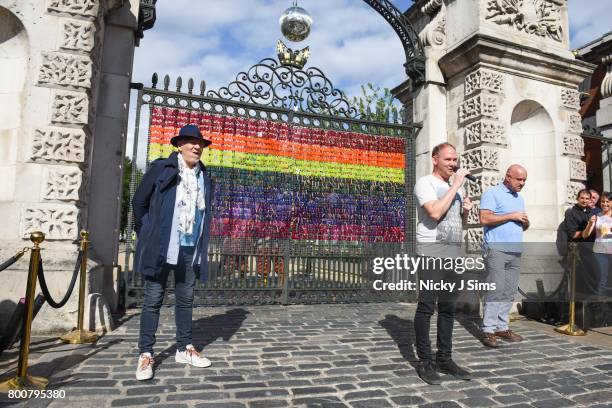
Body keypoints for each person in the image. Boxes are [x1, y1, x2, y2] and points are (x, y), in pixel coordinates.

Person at [132, 124, 214, 381]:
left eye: (199, 142)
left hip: (190, 247)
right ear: (179, 145)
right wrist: (147, 230)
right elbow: (138, 202)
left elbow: (204, 213)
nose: (196, 146)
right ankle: (146, 353)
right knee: (153, 298)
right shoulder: (162, 168)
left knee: (186, 298)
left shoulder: (205, 176)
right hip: (162, 245)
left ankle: (184, 348)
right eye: (190, 141)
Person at [413, 142, 473, 385]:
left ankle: (445, 358)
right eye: (448, 159)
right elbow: (435, 213)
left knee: (448, 308)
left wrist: (465, 212)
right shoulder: (425, 183)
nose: (453, 164)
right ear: (435, 159)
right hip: (431, 253)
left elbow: (457, 226)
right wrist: (456, 185)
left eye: (455, 160)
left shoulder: (454, 190)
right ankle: (425, 361)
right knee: (427, 307)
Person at [479, 165, 529, 348]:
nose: (522, 183)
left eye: (524, 180)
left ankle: (502, 326)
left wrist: (524, 221)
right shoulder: (492, 194)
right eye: (519, 179)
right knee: (496, 290)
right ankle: (488, 329)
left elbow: (520, 222)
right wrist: (512, 216)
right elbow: (484, 219)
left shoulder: (519, 198)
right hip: (496, 250)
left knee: (509, 291)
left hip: (515, 250)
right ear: (508, 177)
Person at [582, 191, 612, 297]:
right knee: (601, 279)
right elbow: (585, 235)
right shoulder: (597, 216)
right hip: (600, 252)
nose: (604, 204)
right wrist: (590, 223)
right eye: (603, 201)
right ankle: (601, 306)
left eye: (607, 201)